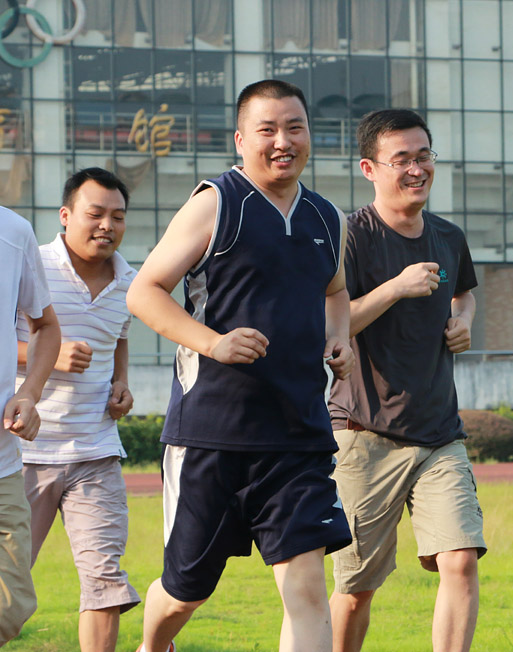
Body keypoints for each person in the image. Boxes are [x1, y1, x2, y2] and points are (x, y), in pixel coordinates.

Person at [126, 79, 355, 652]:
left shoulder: (327, 218)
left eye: (295, 128)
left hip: (298, 435)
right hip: (211, 434)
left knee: (305, 586)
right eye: (268, 130)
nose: (283, 141)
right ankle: (153, 645)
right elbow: (145, 291)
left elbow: (336, 291)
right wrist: (214, 344)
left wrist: (340, 337)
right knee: (186, 590)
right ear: (241, 139)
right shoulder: (217, 203)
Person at [327, 109, 486, 652]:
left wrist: (462, 322)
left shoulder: (448, 235)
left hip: (440, 433)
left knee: (461, 559)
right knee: (355, 588)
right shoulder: (350, 237)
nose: (416, 169)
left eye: (424, 157)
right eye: (403, 160)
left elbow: (465, 292)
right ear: (370, 168)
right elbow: (330, 325)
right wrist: (395, 288)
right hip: (364, 433)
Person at [15, 168, 139, 652]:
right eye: (95, 214)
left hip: (96, 451)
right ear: (66, 216)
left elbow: (119, 339)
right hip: (24, 452)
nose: (106, 225)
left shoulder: (132, 281)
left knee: (106, 579)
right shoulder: (31, 264)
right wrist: (49, 353)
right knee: (8, 578)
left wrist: (122, 383)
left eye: (117, 216)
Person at [1, 205, 61, 646]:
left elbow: (44, 326)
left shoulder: (13, 231)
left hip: (2, 465)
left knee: (10, 606)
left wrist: (29, 393)